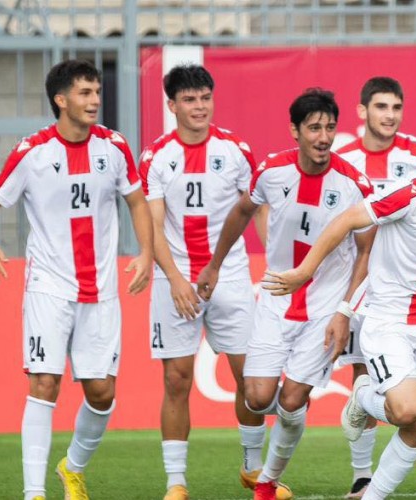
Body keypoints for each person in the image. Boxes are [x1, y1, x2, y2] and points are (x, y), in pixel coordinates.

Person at [264, 121, 416, 500]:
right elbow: (348, 219)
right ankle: (363, 395)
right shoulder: (414, 193)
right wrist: (304, 271)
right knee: (405, 409)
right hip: (389, 321)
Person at [0, 59, 153, 500]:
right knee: (44, 382)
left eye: (96, 92)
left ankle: (72, 466)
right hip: (49, 288)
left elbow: (137, 201)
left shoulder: (114, 147)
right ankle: (34, 493)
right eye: (85, 93)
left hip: (101, 291)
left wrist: (146, 252)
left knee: (102, 393)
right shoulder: (33, 151)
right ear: (61, 100)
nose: (94, 100)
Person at [196, 88, 375, 500]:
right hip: (275, 302)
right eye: (314, 128)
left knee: (292, 400)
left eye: (330, 127)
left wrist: (345, 310)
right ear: (295, 130)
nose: (324, 137)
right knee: (258, 399)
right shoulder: (271, 172)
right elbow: (242, 211)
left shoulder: (352, 182)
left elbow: (367, 251)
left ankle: (267, 483)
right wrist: (215, 264)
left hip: (324, 309)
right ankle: (288, 424)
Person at [139, 64, 274, 500]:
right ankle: (176, 482)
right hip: (174, 278)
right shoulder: (156, 155)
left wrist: (275, 260)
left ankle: (254, 471)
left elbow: (256, 207)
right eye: (189, 100)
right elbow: (153, 225)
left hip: (230, 275)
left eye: (204, 98)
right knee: (176, 380)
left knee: (252, 383)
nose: (199, 107)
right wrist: (175, 278)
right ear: (171, 105)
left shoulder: (235, 149)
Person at [334, 75, 416, 499]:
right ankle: (363, 477)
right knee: (365, 372)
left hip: (413, 284)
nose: (390, 116)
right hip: (362, 280)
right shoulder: (343, 158)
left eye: (396, 108)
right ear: (362, 111)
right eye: (381, 107)